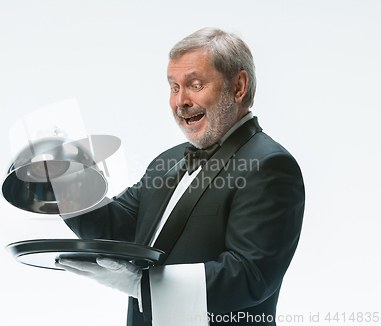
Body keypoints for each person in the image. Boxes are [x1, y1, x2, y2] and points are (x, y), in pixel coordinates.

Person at [56, 27, 305, 326]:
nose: (180, 101)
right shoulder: (168, 160)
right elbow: (119, 229)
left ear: (238, 87)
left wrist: (142, 286)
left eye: (195, 85)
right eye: (174, 87)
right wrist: (64, 183)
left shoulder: (270, 165)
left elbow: (250, 275)